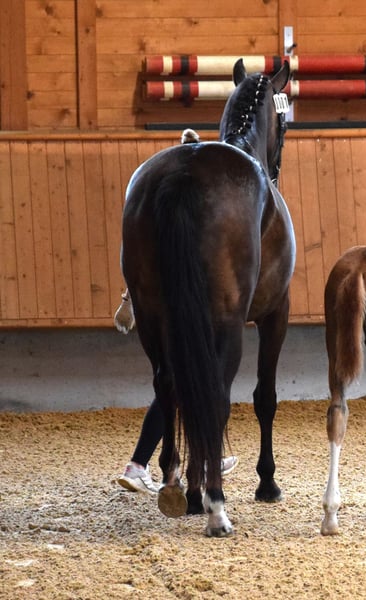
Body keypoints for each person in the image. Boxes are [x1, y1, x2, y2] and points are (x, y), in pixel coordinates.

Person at [116, 127, 237, 494]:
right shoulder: (200, 215)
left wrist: (127, 302)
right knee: (186, 382)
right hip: (188, 315)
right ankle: (150, 462)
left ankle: (159, 462)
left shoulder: (163, 209)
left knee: (174, 382)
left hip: (163, 310)